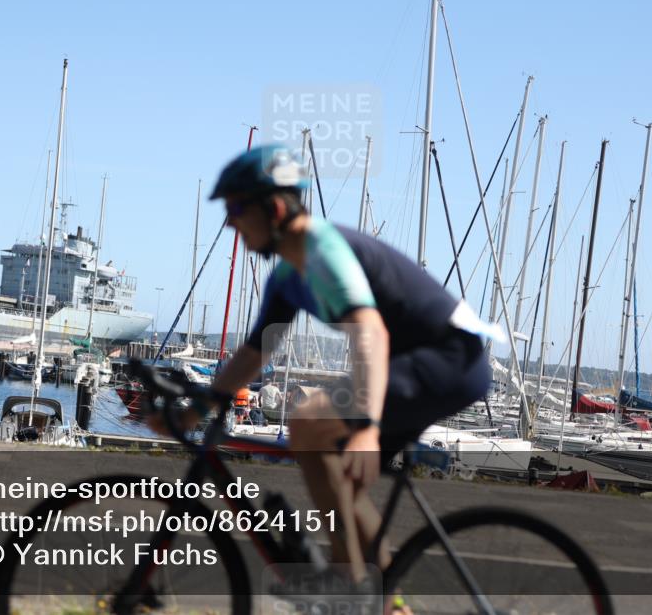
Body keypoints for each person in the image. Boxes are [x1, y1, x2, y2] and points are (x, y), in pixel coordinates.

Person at [154, 144, 500, 600]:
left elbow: (369, 331)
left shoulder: (322, 252)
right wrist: (196, 408)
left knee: (309, 420)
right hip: (418, 364)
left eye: (237, 207)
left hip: (450, 360)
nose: (229, 221)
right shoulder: (288, 273)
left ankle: (349, 587)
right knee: (337, 476)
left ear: (275, 208)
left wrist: (366, 428)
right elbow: (256, 352)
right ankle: (384, 598)